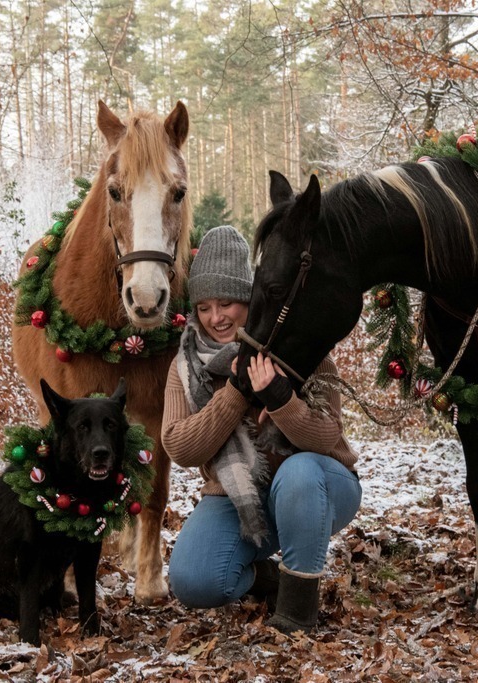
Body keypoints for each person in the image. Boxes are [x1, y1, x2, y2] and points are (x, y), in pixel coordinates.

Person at [162, 225, 361, 634]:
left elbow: (327, 436)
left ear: (249, 299)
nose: (215, 318)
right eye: (203, 307)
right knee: (193, 580)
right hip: (239, 499)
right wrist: (235, 394)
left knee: (299, 472)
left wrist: (281, 399)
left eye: (227, 303)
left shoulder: (301, 345)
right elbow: (180, 447)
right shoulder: (187, 364)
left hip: (321, 484)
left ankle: (297, 612)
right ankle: (268, 578)